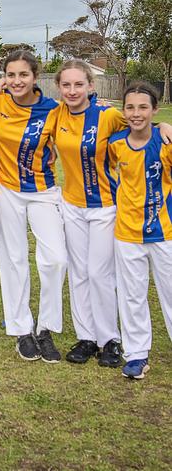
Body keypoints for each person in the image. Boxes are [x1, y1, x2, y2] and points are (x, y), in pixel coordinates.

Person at [0, 50, 66, 363]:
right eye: (11, 75)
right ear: (4, 77)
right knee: (13, 258)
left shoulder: (53, 109)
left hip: (43, 191)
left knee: (55, 258)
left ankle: (46, 327)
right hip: (7, 189)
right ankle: (21, 329)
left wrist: (162, 128)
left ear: (35, 77)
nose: (17, 81)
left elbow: (87, 116)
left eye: (23, 75)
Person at [53, 61, 129, 367]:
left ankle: (110, 339)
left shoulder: (108, 115)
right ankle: (86, 337)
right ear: (59, 88)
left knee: (100, 273)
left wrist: (164, 126)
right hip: (71, 204)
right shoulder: (55, 113)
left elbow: (141, 123)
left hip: (104, 206)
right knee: (79, 273)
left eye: (78, 85)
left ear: (90, 87)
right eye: (66, 85)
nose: (72, 91)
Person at [107, 82, 172, 380]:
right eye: (130, 107)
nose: (136, 113)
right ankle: (136, 354)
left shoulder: (166, 142)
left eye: (143, 107)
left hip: (165, 232)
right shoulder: (116, 143)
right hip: (127, 233)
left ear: (154, 110)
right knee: (132, 295)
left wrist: (164, 126)